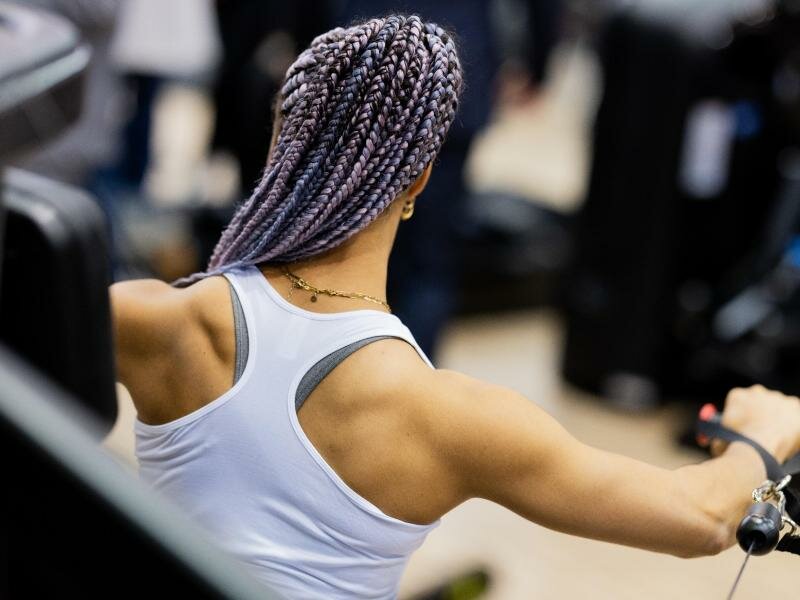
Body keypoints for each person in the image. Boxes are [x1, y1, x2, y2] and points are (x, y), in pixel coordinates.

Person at [110, 16, 800, 599]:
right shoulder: (447, 418)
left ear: (282, 145)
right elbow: (702, 518)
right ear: (420, 178)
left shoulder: (150, 317)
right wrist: (765, 433)